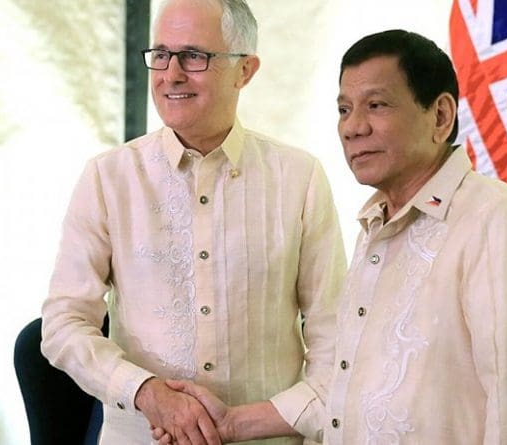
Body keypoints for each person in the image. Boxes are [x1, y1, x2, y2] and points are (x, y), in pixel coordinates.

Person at [156, 29, 507, 444]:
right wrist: (230, 425)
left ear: (441, 116)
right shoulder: (374, 230)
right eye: (343, 109)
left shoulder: (495, 220)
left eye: (377, 105)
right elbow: (349, 393)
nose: (353, 127)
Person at [40, 1, 346, 444]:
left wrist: (256, 421)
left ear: (246, 70)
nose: (172, 73)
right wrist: (147, 393)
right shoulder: (108, 178)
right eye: (161, 55)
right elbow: (63, 322)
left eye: (194, 56)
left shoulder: (299, 178)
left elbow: (335, 339)